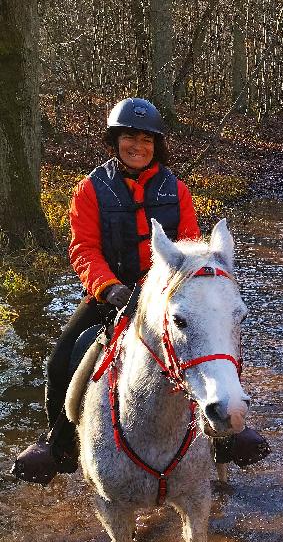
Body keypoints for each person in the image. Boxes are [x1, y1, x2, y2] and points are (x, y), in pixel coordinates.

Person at [12, 98, 268, 485]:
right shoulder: (90, 189)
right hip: (111, 294)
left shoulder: (175, 188)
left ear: (156, 145)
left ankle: (224, 438)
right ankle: (59, 443)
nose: (138, 146)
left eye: (146, 140)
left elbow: (188, 247)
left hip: (166, 296)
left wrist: (184, 292)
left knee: (212, 340)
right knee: (62, 358)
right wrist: (107, 287)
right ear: (115, 141)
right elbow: (83, 248)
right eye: (130, 137)